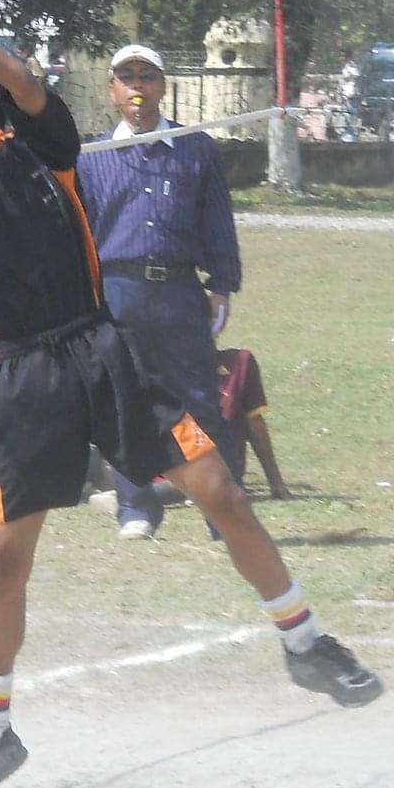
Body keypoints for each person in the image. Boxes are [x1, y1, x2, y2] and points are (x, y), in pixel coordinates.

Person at [0, 0, 381, 788]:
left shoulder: (45, 146)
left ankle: (306, 642)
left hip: (104, 352)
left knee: (221, 493)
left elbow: (24, 80)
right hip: (25, 375)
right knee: (2, 567)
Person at [74, 45, 246, 540]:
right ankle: (136, 506)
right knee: (124, 399)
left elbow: (217, 221)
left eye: (146, 76)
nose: (137, 86)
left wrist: (222, 285)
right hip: (115, 291)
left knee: (199, 400)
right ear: (112, 90)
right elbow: (78, 232)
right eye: (126, 77)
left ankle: (222, 510)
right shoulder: (91, 158)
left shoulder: (195, 149)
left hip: (178, 291)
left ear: (162, 86)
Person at [220, 348, 290, 501]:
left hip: (225, 479)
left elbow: (254, 423)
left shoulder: (239, 363)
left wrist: (276, 482)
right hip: (177, 479)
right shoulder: (169, 368)